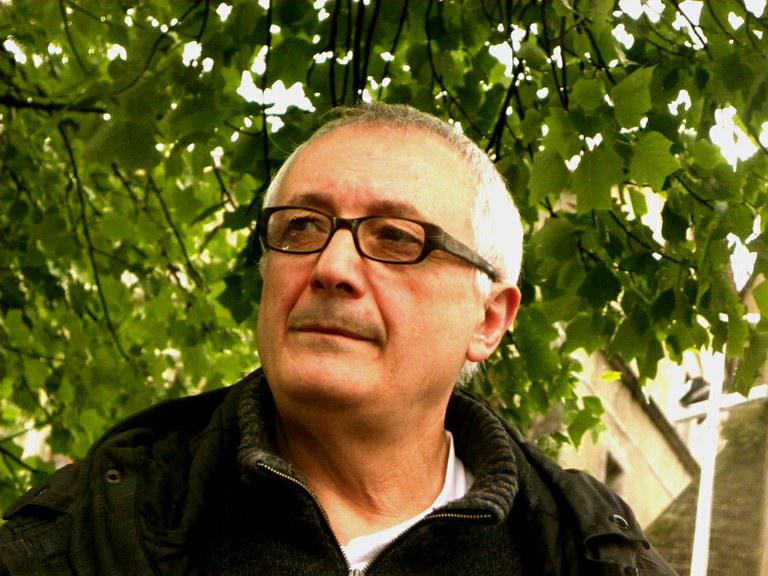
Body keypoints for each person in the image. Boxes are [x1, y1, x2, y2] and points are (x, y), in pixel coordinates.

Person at [0, 104, 676, 575]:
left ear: (489, 320)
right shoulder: (83, 536)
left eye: (397, 238)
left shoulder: (588, 557)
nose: (331, 267)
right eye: (301, 227)